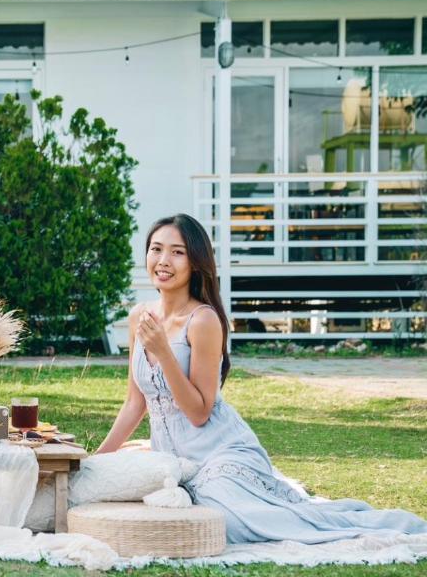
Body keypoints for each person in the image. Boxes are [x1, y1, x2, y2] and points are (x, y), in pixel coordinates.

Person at [95, 213, 427, 543]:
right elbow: (134, 403)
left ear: (195, 262)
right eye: (156, 249)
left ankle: (377, 525)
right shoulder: (140, 316)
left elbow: (199, 413)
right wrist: (95, 462)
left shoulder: (203, 320)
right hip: (172, 458)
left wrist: (165, 354)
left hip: (219, 451)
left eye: (177, 252)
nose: (163, 261)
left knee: (226, 522)